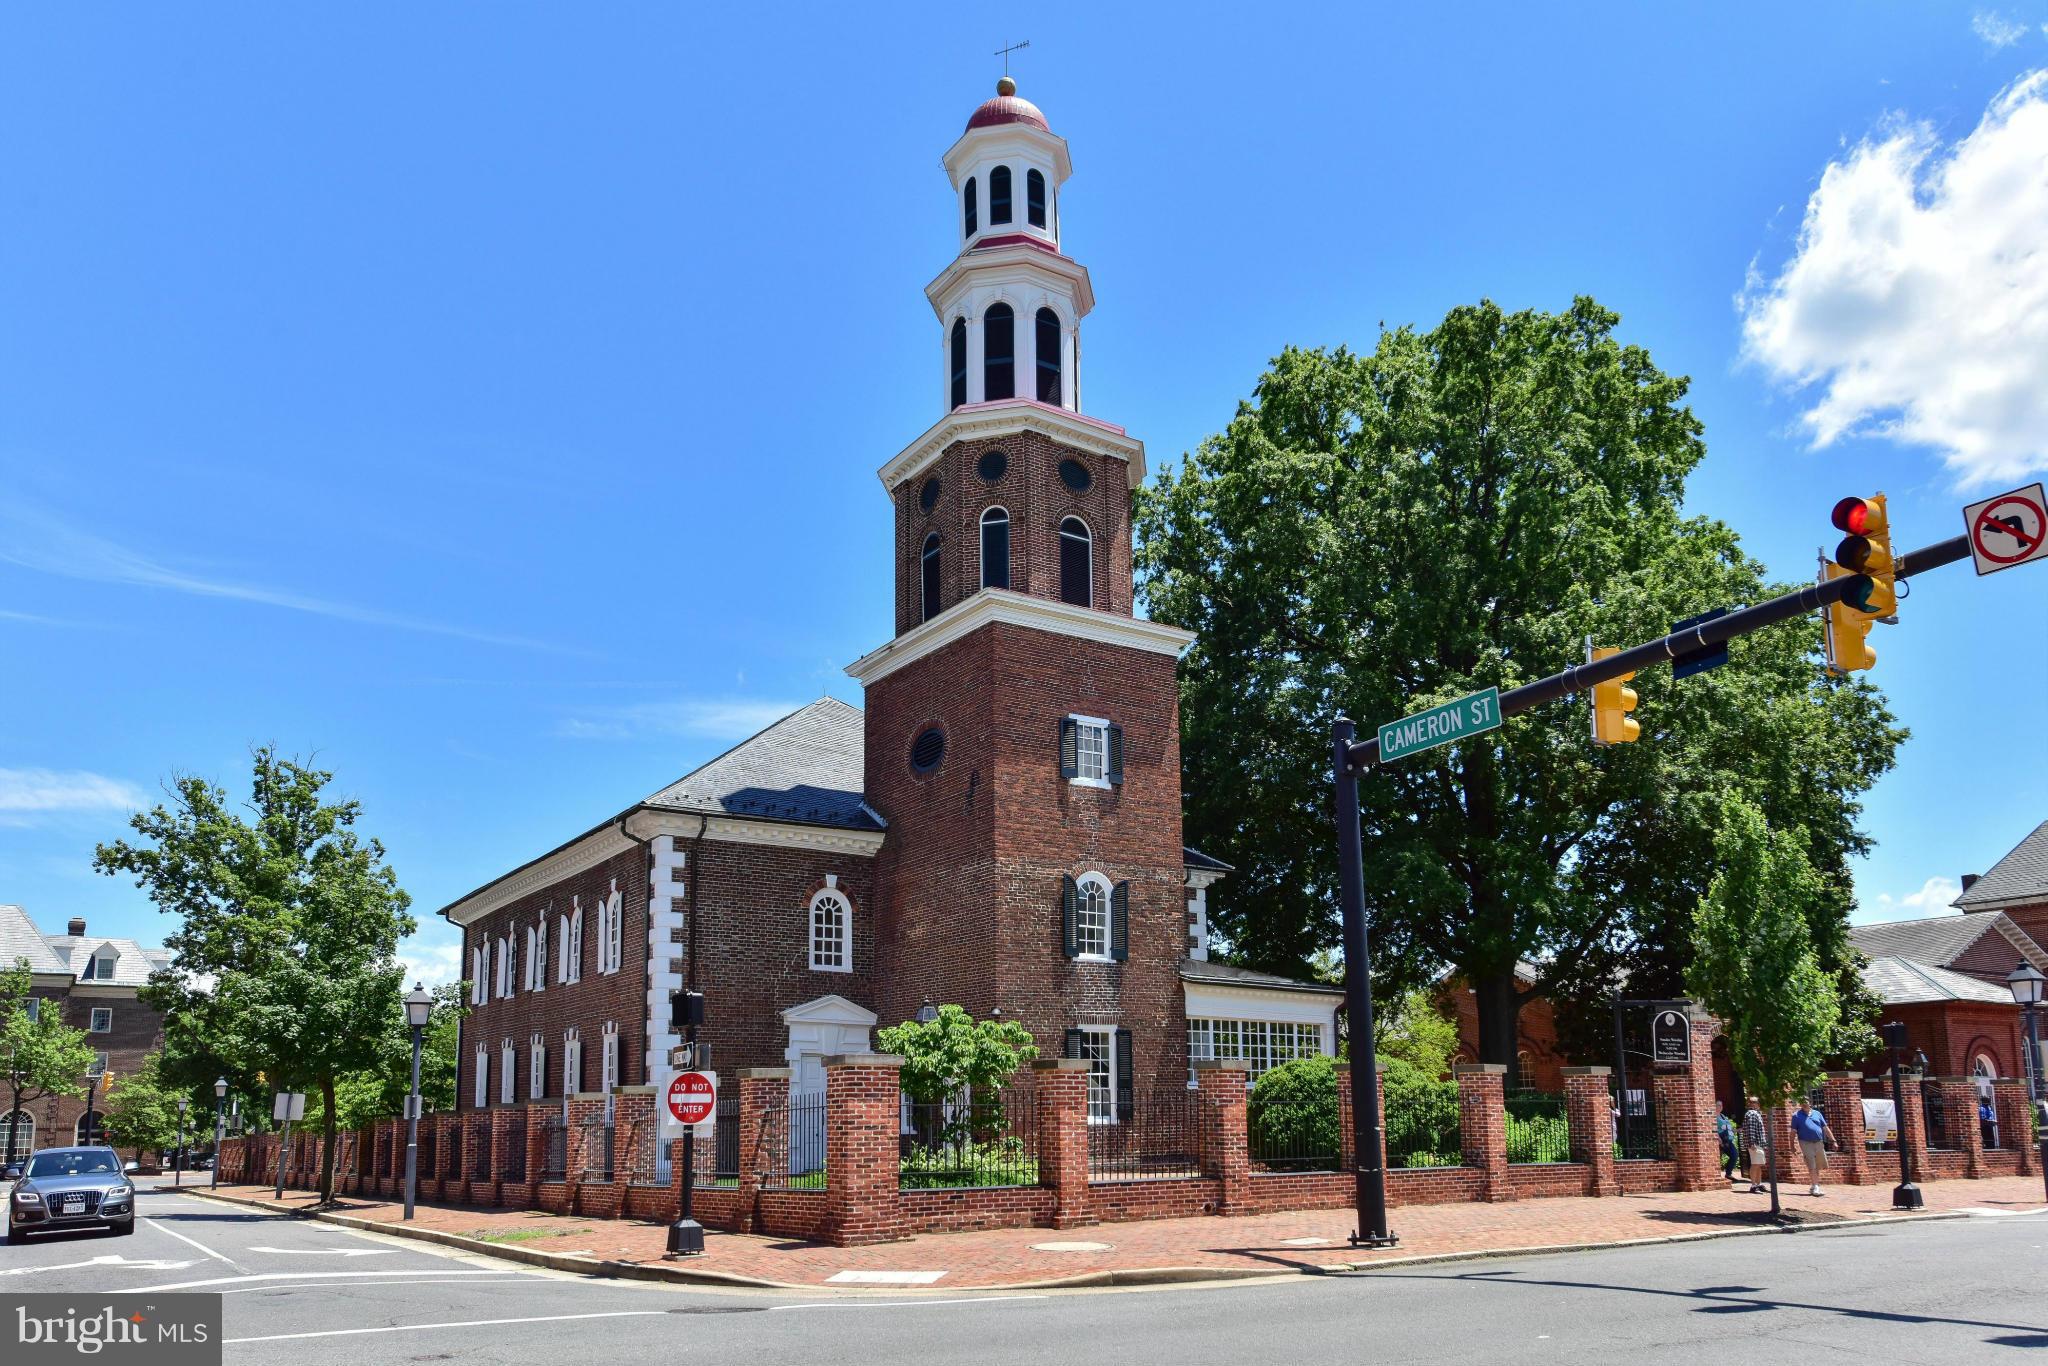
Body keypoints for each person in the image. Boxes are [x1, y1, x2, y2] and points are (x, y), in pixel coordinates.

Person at [1789, 1095, 1835, 1196]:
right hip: (1805, 1142)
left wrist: (1833, 1140)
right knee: (1811, 1164)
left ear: (1810, 1103)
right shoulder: (1796, 1116)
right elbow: (1793, 1132)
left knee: (1818, 1165)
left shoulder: (1817, 1114)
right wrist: (1792, 1146)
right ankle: (1816, 1186)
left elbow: (1825, 1128)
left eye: (1806, 1101)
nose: (1804, 1103)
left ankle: (1814, 1185)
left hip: (1818, 1142)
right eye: (1802, 1102)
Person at [1741, 1097, 1768, 1192]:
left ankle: (1759, 1183)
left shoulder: (1756, 1113)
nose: (1755, 1104)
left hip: (1758, 1142)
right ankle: (1753, 1185)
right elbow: (1750, 1129)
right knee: (1755, 1164)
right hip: (1755, 1143)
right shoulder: (1752, 1114)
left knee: (1759, 1164)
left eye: (1756, 1102)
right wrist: (1752, 1143)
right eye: (1753, 1102)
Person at [1715, 1101, 1740, 1180]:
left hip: (1728, 1140)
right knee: (1718, 1157)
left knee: (1734, 1154)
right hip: (1721, 1140)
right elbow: (1713, 1128)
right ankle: (1716, 1175)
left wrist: (1736, 1130)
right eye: (1718, 1105)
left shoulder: (1723, 1116)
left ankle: (1728, 1173)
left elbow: (1728, 1128)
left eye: (1721, 1105)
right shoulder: (1713, 1117)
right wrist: (1718, 1138)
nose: (1720, 1107)